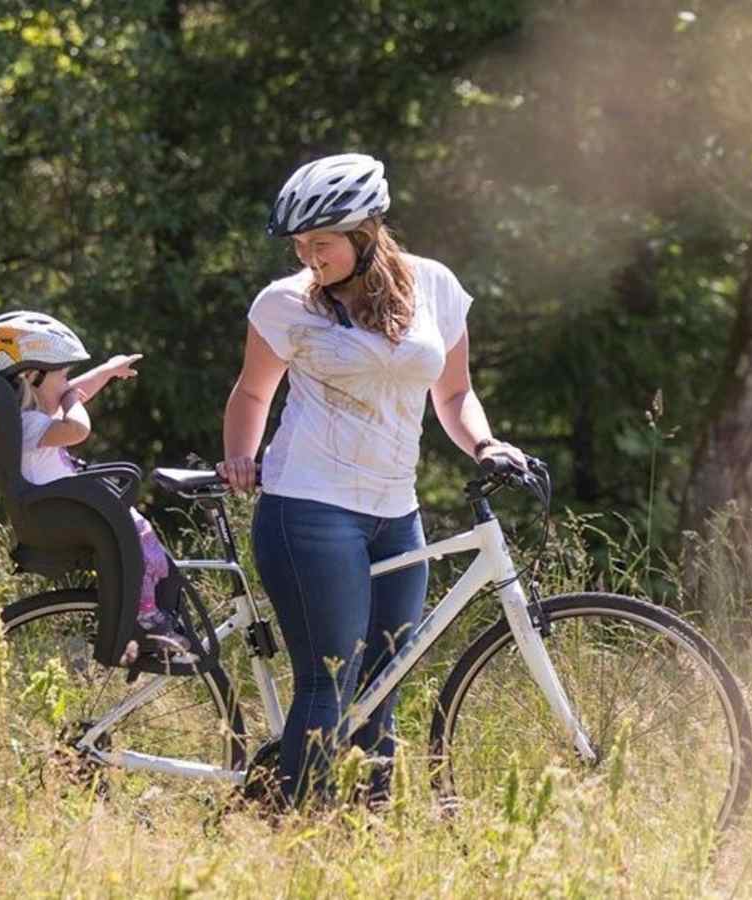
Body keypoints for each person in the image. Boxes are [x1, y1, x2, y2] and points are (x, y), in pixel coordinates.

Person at [218, 153, 527, 806]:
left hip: (397, 513)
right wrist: (242, 456)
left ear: (365, 233)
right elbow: (252, 394)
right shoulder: (286, 304)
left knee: (386, 681)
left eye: (321, 243)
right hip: (307, 507)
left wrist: (486, 444)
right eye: (300, 245)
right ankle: (296, 834)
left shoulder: (435, 287)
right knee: (329, 681)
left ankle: (365, 831)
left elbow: (455, 394)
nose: (309, 257)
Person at [0, 311, 189, 657]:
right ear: (30, 376)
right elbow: (78, 428)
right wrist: (71, 399)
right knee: (139, 535)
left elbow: (70, 395)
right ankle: (145, 620)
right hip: (66, 512)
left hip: (64, 507)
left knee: (140, 536)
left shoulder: (28, 419)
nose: (69, 385)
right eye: (63, 375)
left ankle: (149, 616)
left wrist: (106, 372)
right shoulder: (31, 426)